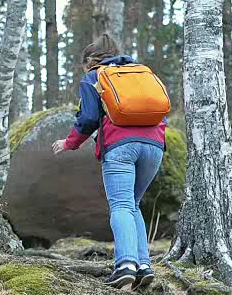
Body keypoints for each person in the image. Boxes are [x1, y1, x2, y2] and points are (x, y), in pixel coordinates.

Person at [51, 34, 166, 290]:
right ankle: (143, 266)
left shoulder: (94, 76)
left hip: (120, 147)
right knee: (133, 205)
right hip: (155, 146)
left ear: (89, 61)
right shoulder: (141, 73)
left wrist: (69, 143)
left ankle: (125, 266)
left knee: (122, 205)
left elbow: (89, 117)